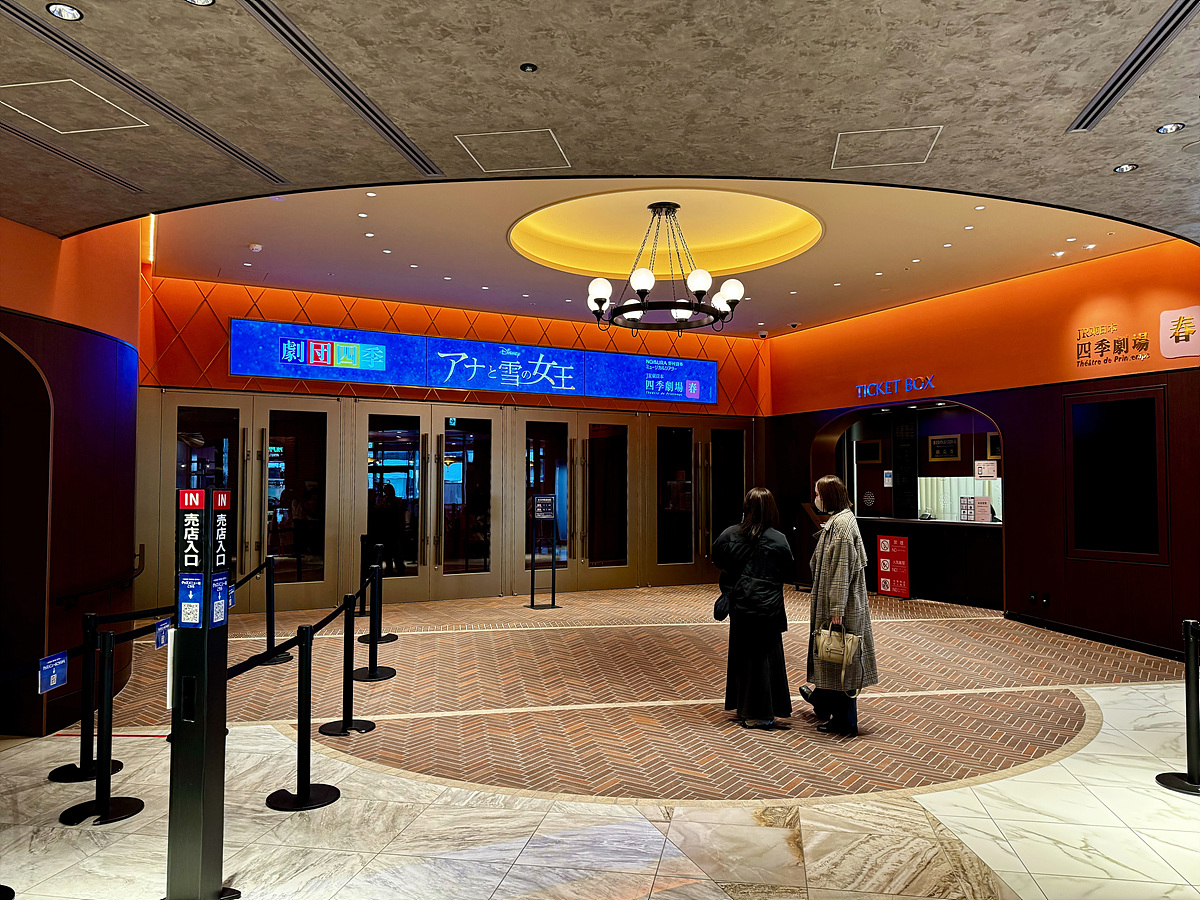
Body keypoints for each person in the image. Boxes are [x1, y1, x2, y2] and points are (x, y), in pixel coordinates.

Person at [800, 475, 878, 736]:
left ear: (828, 496)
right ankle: (825, 702)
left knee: (841, 658)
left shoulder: (842, 527)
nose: (815, 499)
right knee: (837, 658)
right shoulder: (841, 521)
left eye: (817, 494)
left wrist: (837, 610)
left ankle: (843, 720)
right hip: (841, 603)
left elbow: (840, 573)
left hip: (841, 606)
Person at [713, 487, 795, 729]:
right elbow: (787, 568)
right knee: (769, 659)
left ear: (746, 508)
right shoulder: (778, 539)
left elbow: (718, 558)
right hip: (769, 607)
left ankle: (746, 707)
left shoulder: (730, 535)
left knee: (744, 657)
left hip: (741, 605)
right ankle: (769, 709)